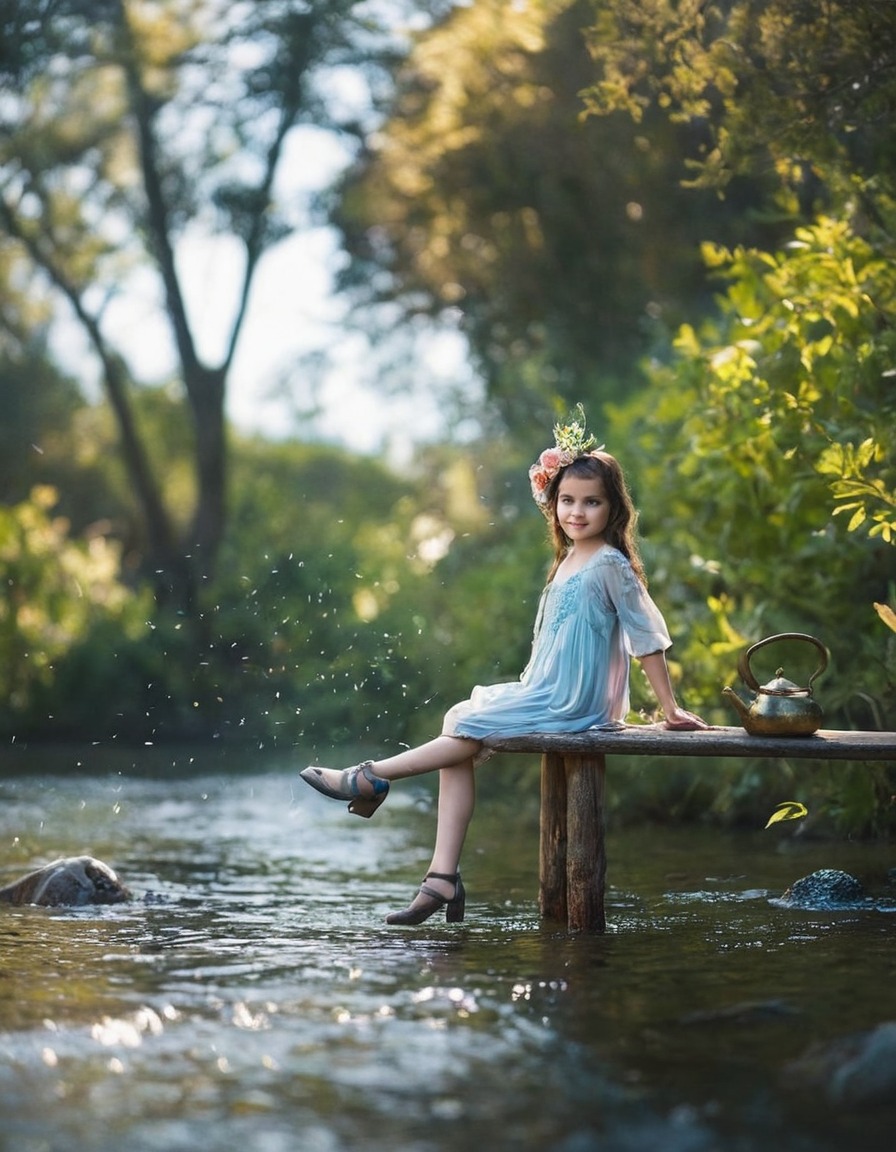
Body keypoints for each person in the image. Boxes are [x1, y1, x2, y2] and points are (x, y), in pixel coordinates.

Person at [300, 409, 707, 926]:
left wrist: (669, 709)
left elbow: (646, 636)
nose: (577, 512)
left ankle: (369, 776)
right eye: (567, 501)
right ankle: (442, 877)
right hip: (547, 686)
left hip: (575, 698)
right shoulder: (567, 560)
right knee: (460, 717)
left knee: (467, 725)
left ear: (613, 508)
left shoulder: (610, 563)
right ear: (553, 503)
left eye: (591, 502)